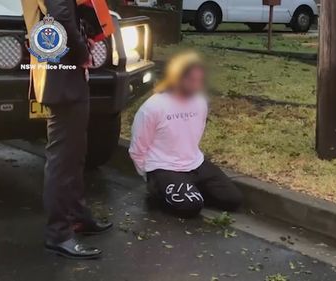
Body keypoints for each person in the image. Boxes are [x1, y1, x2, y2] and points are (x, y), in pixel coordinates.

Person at [21, 0, 112, 259]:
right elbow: (61, 14)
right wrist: (83, 52)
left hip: (63, 69)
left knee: (74, 151)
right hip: (60, 71)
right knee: (63, 157)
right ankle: (59, 233)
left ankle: (77, 216)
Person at [129, 52, 242, 218]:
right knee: (191, 207)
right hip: (163, 167)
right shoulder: (153, 107)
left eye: (199, 80)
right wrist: (150, 177)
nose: (196, 85)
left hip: (194, 163)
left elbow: (195, 135)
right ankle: (160, 192)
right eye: (191, 80)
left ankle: (189, 189)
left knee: (233, 200)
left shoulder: (200, 102)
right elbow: (137, 149)